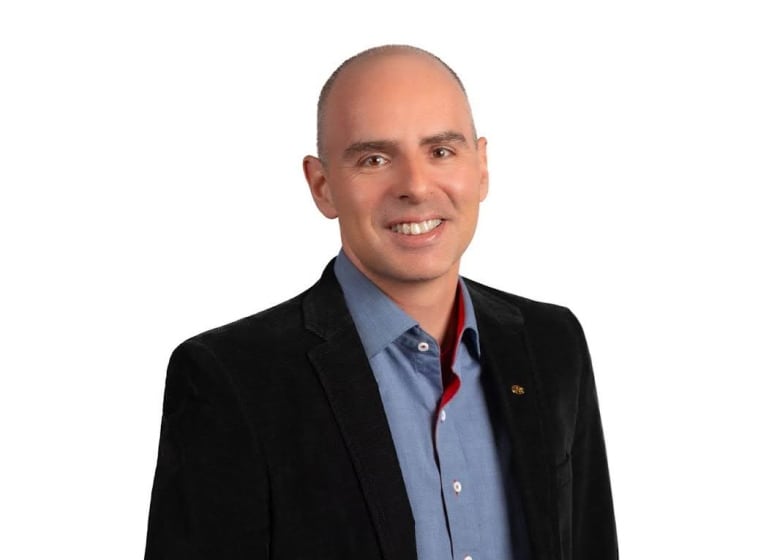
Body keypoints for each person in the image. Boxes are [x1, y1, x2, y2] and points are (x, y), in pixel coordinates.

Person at [144, 45, 618, 560]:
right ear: (322, 186)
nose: (415, 186)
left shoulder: (551, 342)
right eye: (374, 159)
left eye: (441, 151)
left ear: (481, 167)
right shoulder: (232, 378)